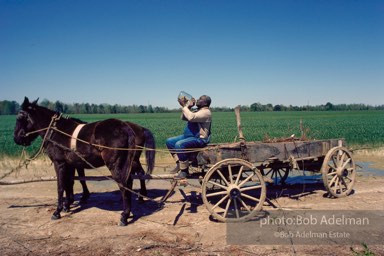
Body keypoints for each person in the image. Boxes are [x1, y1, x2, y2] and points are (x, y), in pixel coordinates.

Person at [166, 94, 212, 179]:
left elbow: (191, 117)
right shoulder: (198, 111)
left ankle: (184, 171)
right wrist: (188, 107)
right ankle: (179, 164)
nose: (197, 100)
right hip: (188, 137)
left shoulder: (206, 112)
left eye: (200, 99)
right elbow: (184, 117)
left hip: (199, 139)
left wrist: (184, 106)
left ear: (205, 103)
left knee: (179, 145)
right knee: (169, 141)